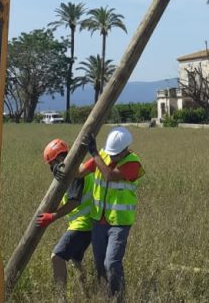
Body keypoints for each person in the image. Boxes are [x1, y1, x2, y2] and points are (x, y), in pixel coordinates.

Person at [80, 127, 144, 301]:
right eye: (111, 153)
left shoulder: (133, 163)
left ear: (125, 150)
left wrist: (94, 154)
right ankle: (105, 297)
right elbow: (80, 172)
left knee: (112, 263)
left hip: (119, 223)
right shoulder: (103, 156)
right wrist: (61, 168)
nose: (112, 157)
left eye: (115, 154)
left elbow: (108, 175)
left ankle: (118, 297)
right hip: (98, 221)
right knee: (100, 264)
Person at [36, 138, 95, 301]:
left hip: (82, 225)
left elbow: (74, 201)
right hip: (89, 225)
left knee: (57, 257)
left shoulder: (74, 174)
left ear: (59, 159)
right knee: (76, 262)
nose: (51, 168)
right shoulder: (77, 169)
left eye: (51, 164)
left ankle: (61, 299)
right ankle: (87, 296)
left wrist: (52, 217)